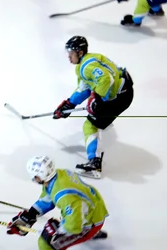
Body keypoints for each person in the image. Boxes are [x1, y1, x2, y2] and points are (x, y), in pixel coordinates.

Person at [6, 156, 109, 250]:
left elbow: (74, 225)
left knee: (45, 244)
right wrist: (31, 215)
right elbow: (48, 197)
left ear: (39, 177)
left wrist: (57, 233)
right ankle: (93, 232)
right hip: (95, 209)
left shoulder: (64, 196)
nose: (33, 178)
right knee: (70, 218)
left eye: (34, 176)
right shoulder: (60, 175)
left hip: (89, 222)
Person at [53, 36, 134, 178]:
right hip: (122, 91)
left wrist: (96, 99)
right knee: (97, 114)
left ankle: (94, 162)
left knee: (89, 126)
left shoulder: (86, 67)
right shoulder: (85, 64)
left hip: (120, 97)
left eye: (71, 53)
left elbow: (105, 79)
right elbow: (85, 88)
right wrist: (69, 104)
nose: (69, 57)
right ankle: (104, 119)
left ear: (80, 52)